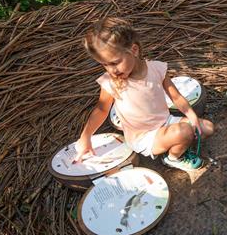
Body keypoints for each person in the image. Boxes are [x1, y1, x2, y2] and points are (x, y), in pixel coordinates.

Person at [74, 17, 214, 171]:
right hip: (143, 136)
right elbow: (101, 110)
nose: (111, 70)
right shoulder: (111, 82)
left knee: (207, 128)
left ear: (134, 50)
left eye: (114, 62)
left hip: (166, 122)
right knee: (185, 132)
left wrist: (192, 116)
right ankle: (173, 158)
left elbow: (176, 97)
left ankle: (175, 142)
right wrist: (85, 137)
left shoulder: (157, 69)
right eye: (105, 65)